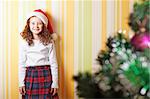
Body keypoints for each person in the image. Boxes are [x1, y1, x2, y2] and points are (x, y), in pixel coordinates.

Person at [18, 9, 59, 99]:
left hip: (46, 75)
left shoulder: (49, 42)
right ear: (28, 25)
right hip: (30, 75)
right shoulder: (24, 42)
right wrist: (21, 83)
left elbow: (54, 63)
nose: (36, 26)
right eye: (33, 23)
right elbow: (22, 64)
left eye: (39, 23)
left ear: (44, 25)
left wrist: (55, 83)